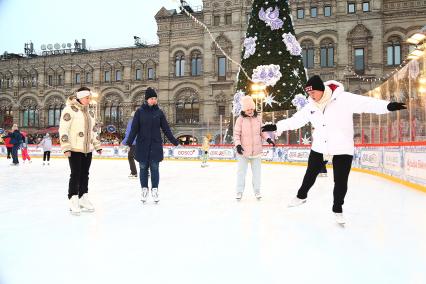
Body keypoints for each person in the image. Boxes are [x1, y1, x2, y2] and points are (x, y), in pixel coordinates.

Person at [262, 75, 406, 224]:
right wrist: (277, 126)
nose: (311, 96)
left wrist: (387, 106)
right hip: (320, 146)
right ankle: (301, 196)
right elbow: (296, 120)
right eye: (309, 94)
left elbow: (366, 103)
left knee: (341, 181)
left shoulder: (343, 98)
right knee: (310, 174)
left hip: (342, 147)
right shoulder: (311, 106)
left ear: (321, 90)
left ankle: (338, 209)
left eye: (313, 93)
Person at [126, 87, 180, 203]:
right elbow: (134, 129)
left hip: (155, 146)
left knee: (155, 168)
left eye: (155, 98)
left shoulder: (159, 112)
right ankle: (144, 189)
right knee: (143, 168)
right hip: (142, 145)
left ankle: (155, 190)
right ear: (146, 99)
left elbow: (166, 129)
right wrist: (128, 143)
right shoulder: (139, 112)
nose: (154, 100)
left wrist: (175, 141)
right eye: (151, 98)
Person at [59, 87, 102, 215]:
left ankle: (83, 196)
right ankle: (73, 198)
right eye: (87, 98)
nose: (89, 100)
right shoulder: (69, 110)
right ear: (80, 97)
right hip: (74, 148)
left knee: (85, 174)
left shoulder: (90, 113)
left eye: (90, 98)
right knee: (75, 174)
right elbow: (63, 129)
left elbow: (93, 130)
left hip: (87, 149)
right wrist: (65, 147)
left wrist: (97, 145)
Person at [234, 96, 275, 200]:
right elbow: (236, 134)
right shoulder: (240, 120)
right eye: (248, 109)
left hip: (256, 151)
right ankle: (239, 192)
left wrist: (268, 139)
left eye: (251, 109)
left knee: (257, 174)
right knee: (241, 173)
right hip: (243, 152)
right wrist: (238, 145)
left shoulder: (258, 118)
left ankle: (257, 191)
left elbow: (262, 132)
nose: (250, 111)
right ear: (244, 109)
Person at [122, 111, 138, 178]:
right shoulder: (143, 121)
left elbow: (128, 133)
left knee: (130, 157)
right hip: (142, 142)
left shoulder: (131, 122)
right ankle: (146, 172)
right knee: (142, 158)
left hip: (133, 143)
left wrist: (124, 142)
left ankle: (134, 173)